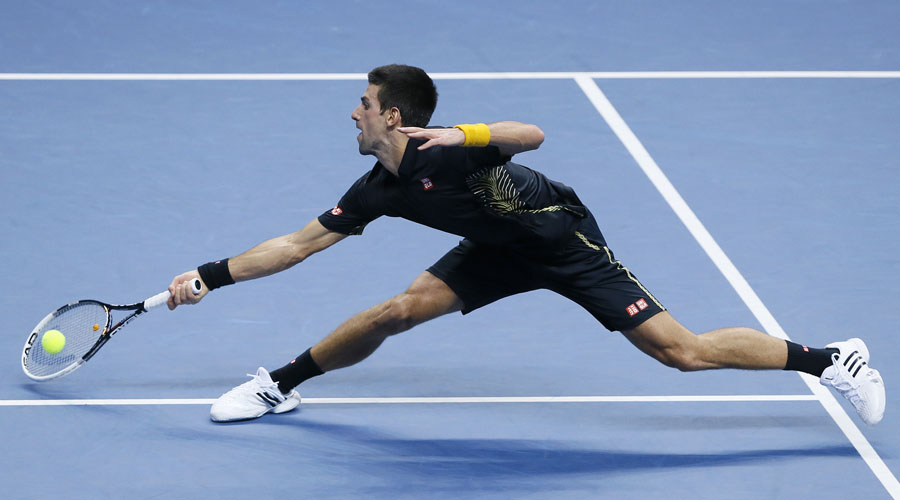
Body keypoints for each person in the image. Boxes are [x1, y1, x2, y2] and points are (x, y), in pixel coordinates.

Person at [167, 64, 885, 425]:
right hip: (494, 248)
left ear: (392, 114)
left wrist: (466, 134)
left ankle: (830, 359)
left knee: (682, 353)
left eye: (363, 102)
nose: (353, 111)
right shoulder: (374, 190)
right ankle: (280, 386)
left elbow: (532, 135)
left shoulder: (451, 153)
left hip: (562, 241)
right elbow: (295, 245)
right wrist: (208, 276)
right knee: (396, 311)